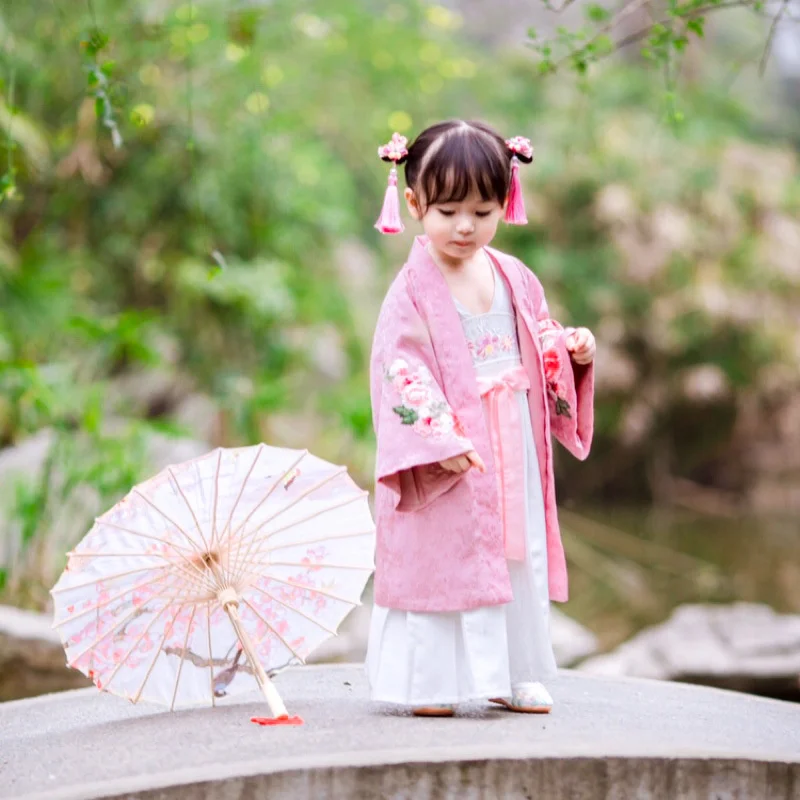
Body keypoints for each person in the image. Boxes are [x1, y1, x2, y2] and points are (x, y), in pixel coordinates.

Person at [365, 120, 596, 717]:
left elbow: (537, 336)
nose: (464, 226)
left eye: (481, 210)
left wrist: (568, 351)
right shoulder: (411, 288)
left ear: (505, 202)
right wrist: (437, 436)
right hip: (451, 444)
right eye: (446, 210)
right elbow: (400, 368)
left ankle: (513, 672)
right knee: (442, 555)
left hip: (510, 432)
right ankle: (432, 683)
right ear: (413, 203)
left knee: (515, 550)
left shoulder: (514, 274)